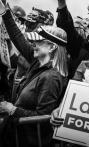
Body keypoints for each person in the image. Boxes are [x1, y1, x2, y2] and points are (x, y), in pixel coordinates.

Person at [0, 2, 68, 146]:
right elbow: (18, 37)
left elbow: (43, 117)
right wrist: (5, 13)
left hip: (27, 141)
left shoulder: (52, 77)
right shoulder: (37, 62)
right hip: (16, 135)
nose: (33, 43)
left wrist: (13, 110)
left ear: (52, 48)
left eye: (39, 41)